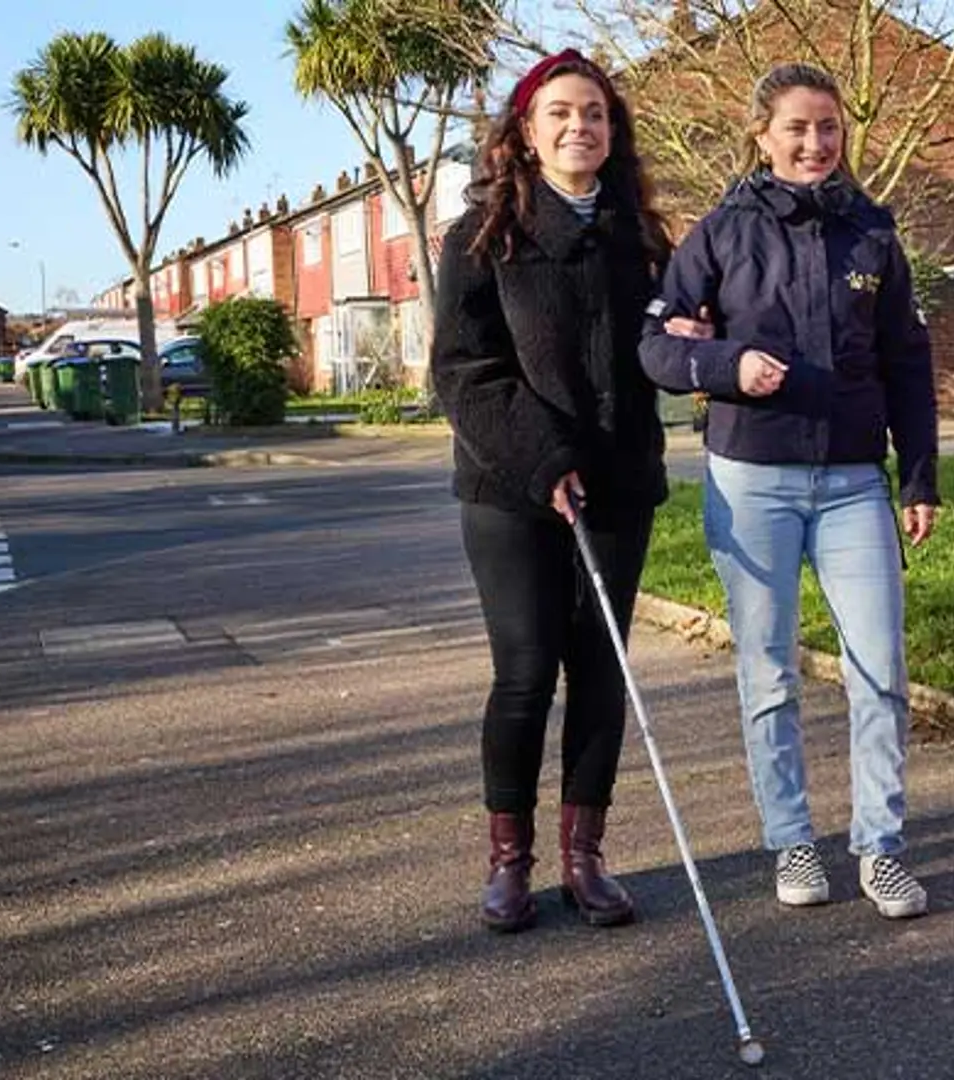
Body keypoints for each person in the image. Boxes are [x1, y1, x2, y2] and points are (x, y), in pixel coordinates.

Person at [641, 62, 941, 919]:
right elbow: (656, 348)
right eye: (797, 129)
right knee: (767, 672)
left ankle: (879, 848)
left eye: (829, 129)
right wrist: (723, 364)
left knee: (879, 670)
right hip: (751, 481)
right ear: (762, 136)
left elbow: (907, 365)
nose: (815, 144)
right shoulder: (721, 232)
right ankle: (792, 843)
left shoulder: (873, 233)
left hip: (853, 483)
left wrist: (918, 474)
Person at [431, 49, 671, 933]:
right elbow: (461, 373)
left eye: (598, 114)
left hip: (617, 486)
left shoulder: (640, 238)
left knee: (600, 667)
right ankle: (510, 863)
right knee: (527, 670)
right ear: (525, 134)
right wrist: (544, 456)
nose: (582, 127)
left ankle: (585, 857)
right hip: (509, 489)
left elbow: (656, 352)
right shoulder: (482, 238)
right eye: (562, 114)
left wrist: (695, 343)